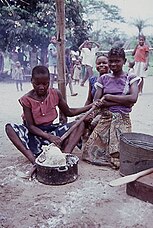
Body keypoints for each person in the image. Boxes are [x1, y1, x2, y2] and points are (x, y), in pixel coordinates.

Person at [5, 66, 92, 168]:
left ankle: (64, 155)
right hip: (34, 135)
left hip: (51, 131)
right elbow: (31, 126)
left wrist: (90, 106)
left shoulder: (55, 93)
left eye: (45, 84)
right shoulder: (26, 99)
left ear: (49, 82)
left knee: (80, 124)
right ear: (31, 81)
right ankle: (34, 161)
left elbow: (69, 112)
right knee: (10, 128)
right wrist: (49, 137)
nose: (41, 87)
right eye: (37, 84)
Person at [82, 47, 140, 168]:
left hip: (122, 118)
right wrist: (122, 101)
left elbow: (133, 98)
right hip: (106, 116)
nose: (113, 64)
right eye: (111, 61)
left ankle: (116, 156)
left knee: (119, 152)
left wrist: (108, 97)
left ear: (124, 61)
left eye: (117, 61)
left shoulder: (130, 77)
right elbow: (97, 102)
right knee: (88, 153)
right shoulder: (103, 79)